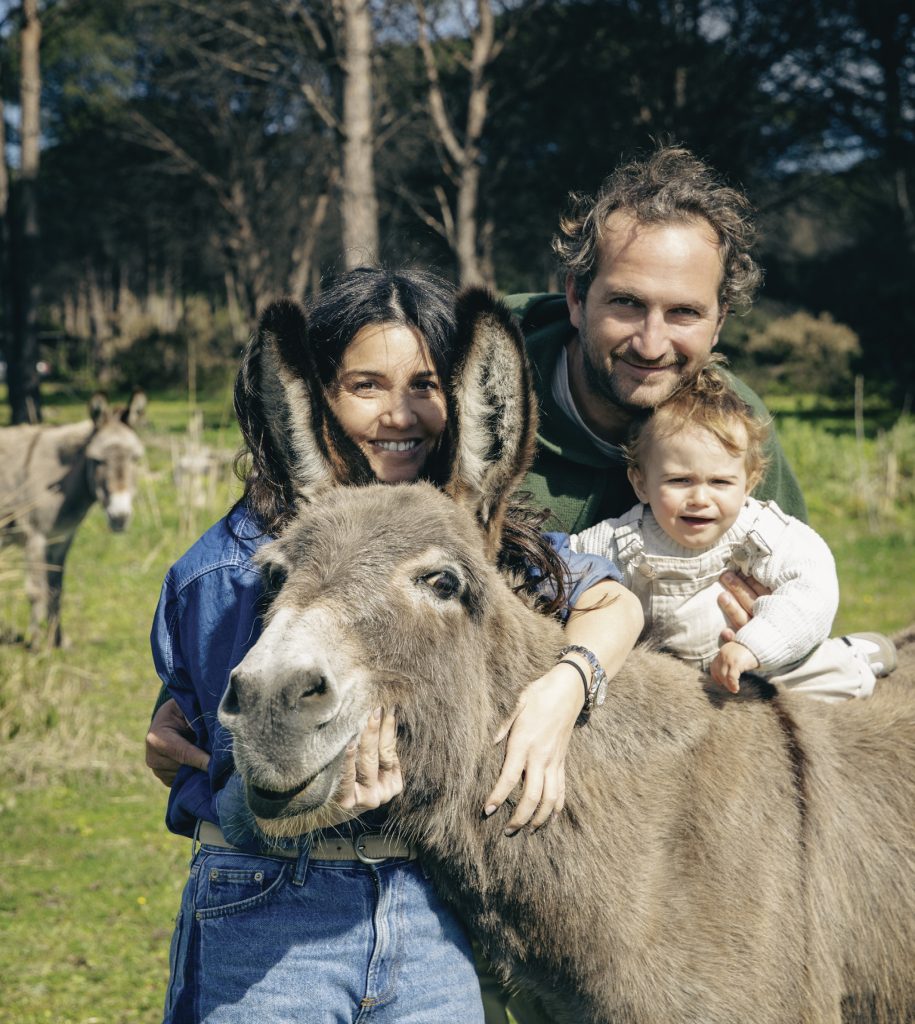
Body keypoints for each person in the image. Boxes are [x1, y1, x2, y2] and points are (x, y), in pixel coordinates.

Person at [150, 267, 645, 1023]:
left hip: (426, 900)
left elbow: (606, 594)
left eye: (424, 384)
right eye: (365, 385)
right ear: (314, 400)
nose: (400, 414)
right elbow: (234, 781)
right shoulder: (228, 565)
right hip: (271, 898)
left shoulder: (465, 529)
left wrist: (565, 685)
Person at [572, 363, 889, 701]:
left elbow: (813, 585)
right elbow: (570, 564)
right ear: (641, 484)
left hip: (757, 662)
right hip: (670, 682)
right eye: (680, 480)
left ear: (748, 485)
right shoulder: (625, 542)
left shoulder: (758, 532)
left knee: (827, 678)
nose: (700, 498)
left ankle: (857, 656)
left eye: (720, 482)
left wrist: (753, 646)